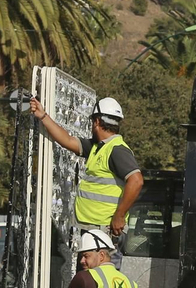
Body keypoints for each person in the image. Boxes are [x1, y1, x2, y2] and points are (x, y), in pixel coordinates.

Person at [30, 96, 144, 266]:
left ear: (97, 121)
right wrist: (43, 116)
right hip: (95, 229)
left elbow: (136, 181)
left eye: (92, 122)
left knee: (102, 279)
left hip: (104, 230)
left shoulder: (116, 150)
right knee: (91, 279)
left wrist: (119, 216)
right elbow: (68, 140)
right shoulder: (98, 147)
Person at [67, 229, 131, 288]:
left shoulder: (84, 278)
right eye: (81, 257)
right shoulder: (130, 283)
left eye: (86, 256)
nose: (81, 261)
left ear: (101, 256)